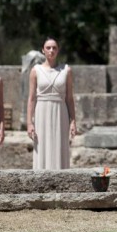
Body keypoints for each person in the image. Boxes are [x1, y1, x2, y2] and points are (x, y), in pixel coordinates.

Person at [26, 38, 76, 170]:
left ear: (58, 50)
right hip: (42, 111)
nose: (51, 50)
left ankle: (62, 178)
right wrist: (29, 123)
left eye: (54, 48)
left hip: (60, 111)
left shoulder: (66, 70)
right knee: (42, 144)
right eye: (48, 48)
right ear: (43, 50)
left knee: (59, 144)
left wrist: (73, 121)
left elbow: (70, 98)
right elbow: (31, 98)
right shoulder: (35, 71)